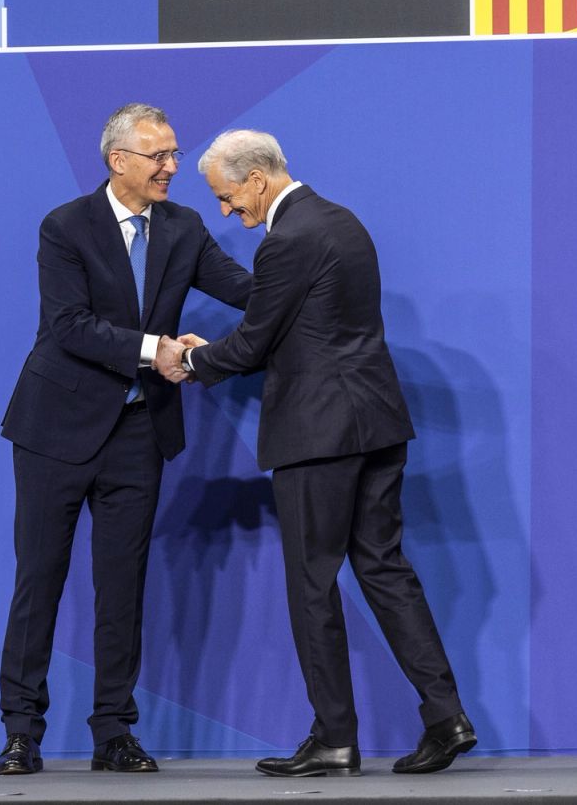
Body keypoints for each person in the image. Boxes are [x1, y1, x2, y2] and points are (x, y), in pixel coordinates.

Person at [176, 129, 475, 778]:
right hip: (377, 425)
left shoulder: (287, 239)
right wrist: (219, 350)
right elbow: (302, 329)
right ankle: (446, 715)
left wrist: (193, 361)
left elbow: (255, 344)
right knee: (385, 570)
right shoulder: (343, 221)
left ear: (257, 179)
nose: (226, 210)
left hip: (318, 435)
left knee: (312, 584)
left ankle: (334, 738)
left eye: (227, 196)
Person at [0, 104, 252, 776]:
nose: (171, 167)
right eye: (158, 156)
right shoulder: (66, 226)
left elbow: (243, 290)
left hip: (137, 432)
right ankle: (21, 731)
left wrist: (309, 276)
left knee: (122, 586)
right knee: (39, 580)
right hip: (55, 430)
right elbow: (69, 326)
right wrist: (155, 349)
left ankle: (114, 733)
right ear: (118, 161)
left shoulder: (183, 226)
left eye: (173, 154)